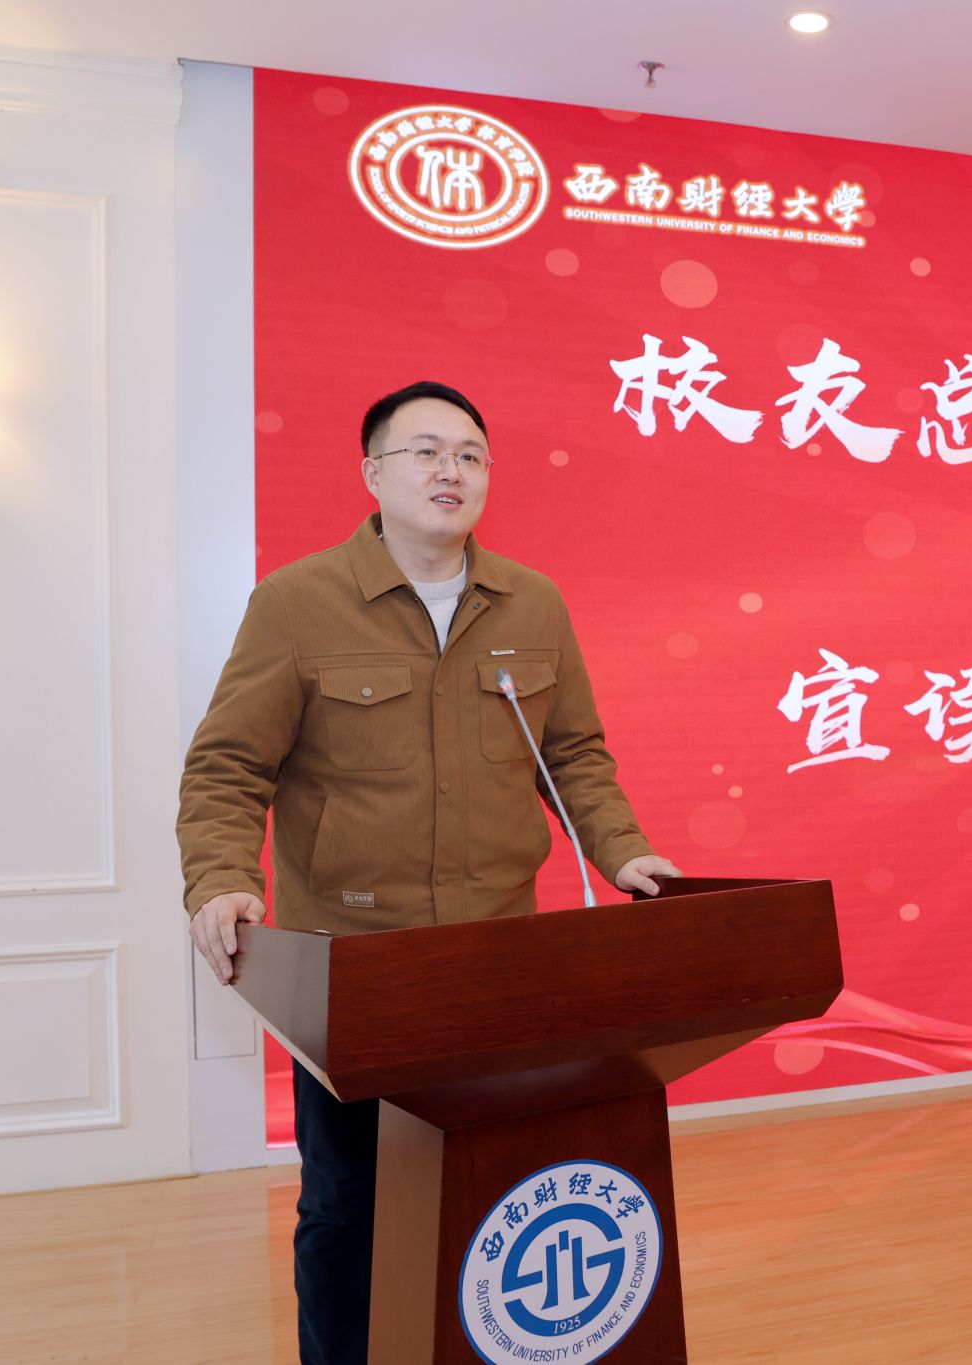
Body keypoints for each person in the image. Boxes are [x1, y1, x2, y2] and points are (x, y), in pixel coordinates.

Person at [176, 379, 680, 1365]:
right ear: (372, 473)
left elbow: (574, 753)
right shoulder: (297, 602)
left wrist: (623, 850)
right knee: (349, 1204)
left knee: (495, 1184)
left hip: (499, 959)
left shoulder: (532, 602)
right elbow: (228, 765)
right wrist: (221, 879)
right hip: (356, 967)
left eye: (470, 454)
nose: (451, 470)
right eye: (426, 451)